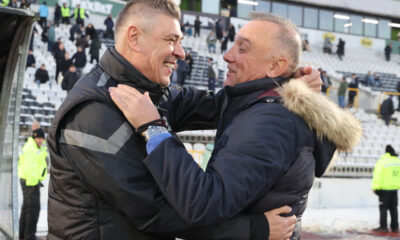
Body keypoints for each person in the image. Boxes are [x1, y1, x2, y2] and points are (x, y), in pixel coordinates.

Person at [46, 1, 326, 239]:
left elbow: (224, 103)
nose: (181, 53)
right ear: (134, 38)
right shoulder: (93, 112)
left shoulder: (155, 93)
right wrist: (255, 229)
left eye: (180, 41)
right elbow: (153, 211)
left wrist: (288, 80)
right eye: (171, 40)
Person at [109, 12, 361, 240]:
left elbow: (204, 204)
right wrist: (288, 83)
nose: (227, 55)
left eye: (243, 49)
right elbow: (197, 103)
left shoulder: (270, 121)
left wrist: (153, 128)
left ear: (275, 66)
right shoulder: (256, 104)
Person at [18, 127, 48, 240]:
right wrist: (35, 182)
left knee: (27, 209)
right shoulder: (32, 149)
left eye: (42, 138)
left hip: (30, 182)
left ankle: (23, 235)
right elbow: (29, 168)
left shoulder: (35, 147)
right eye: (38, 138)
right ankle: (29, 237)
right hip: (31, 183)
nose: (40, 140)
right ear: (34, 138)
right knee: (33, 210)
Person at [372, 145, 400, 233]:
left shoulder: (382, 161)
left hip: (384, 189)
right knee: (394, 208)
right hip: (394, 189)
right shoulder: (398, 161)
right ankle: (395, 227)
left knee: (383, 208)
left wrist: (375, 187)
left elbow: (378, 175)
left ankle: (383, 226)